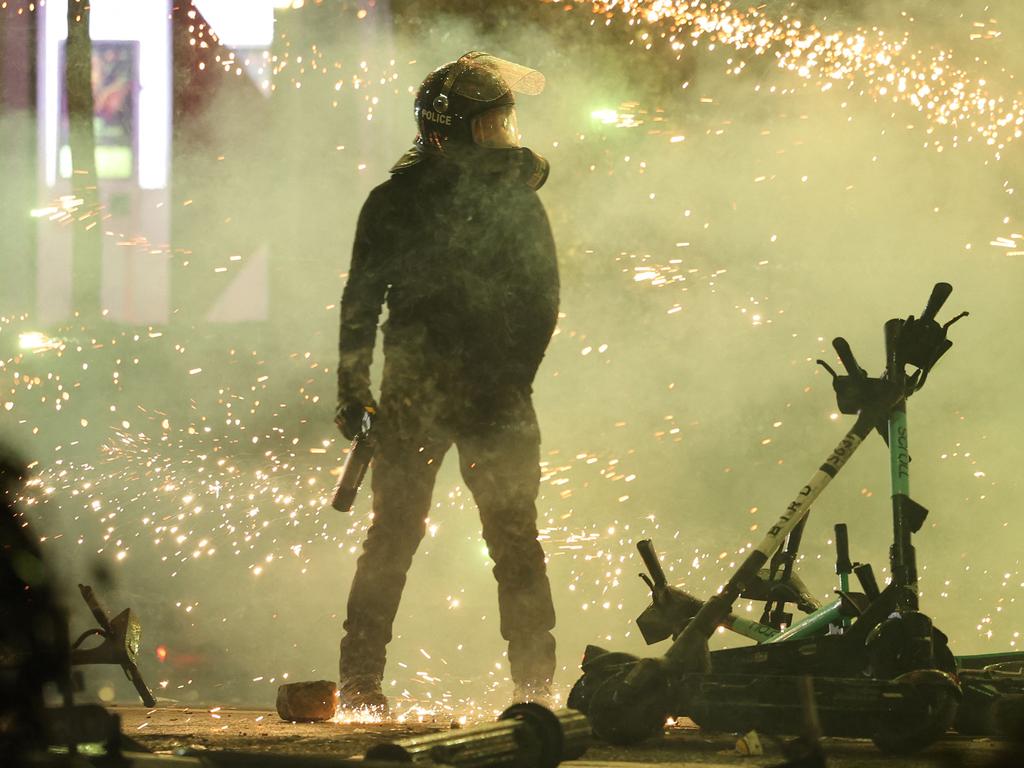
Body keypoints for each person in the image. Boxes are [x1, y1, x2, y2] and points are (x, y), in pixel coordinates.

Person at [334, 52, 559, 715]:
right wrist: (354, 390)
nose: (497, 135)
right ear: (446, 131)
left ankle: (534, 689)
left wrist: (509, 381)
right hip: (416, 396)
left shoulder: (516, 203)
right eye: (484, 125)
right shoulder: (393, 206)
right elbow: (360, 305)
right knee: (394, 537)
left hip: (486, 397)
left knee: (513, 539)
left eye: (500, 122)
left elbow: (541, 301)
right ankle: (360, 684)